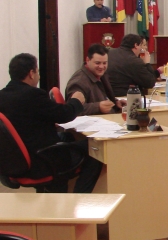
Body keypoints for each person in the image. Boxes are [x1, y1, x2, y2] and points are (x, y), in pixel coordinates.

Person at [0, 53, 103, 193]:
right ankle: (80, 198)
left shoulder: (3, 96)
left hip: (17, 161)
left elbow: (26, 121)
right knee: (94, 149)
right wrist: (76, 101)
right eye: (37, 72)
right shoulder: (33, 95)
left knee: (68, 137)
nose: (38, 77)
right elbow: (65, 114)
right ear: (31, 73)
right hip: (42, 161)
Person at [65, 44, 124, 115]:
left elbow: (104, 97)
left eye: (104, 63)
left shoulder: (101, 74)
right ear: (88, 60)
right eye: (97, 63)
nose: (101, 66)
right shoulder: (78, 82)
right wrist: (98, 107)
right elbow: (71, 109)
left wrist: (115, 102)